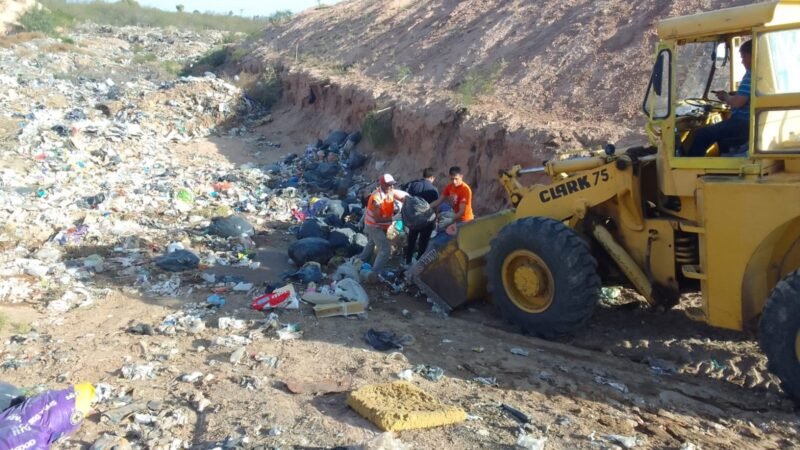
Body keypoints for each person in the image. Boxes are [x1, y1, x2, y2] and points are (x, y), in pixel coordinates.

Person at [688, 40, 752, 157]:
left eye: (743, 57)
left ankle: (688, 168)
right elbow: (745, 97)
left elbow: (738, 102)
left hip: (743, 123)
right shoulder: (760, 73)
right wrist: (734, 95)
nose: (742, 61)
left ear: (752, 56)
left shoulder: (751, 75)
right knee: (719, 137)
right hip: (749, 123)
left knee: (703, 134)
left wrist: (725, 96)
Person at [360, 173, 406, 274]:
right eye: (389, 184)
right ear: (383, 185)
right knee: (385, 250)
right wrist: (394, 218)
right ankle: (374, 273)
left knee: (372, 242)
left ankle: (361, 260)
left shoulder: (390, 191)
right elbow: (377, 219)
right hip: (374, 225)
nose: (392, 186)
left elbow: (402, 198)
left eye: (393, 184)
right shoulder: (376, 198)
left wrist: (410, 202)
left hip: (381, 225)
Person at [402, 168, 439, 265]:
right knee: (423, 242)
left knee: (411, 240)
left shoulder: (414, 185)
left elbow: (408, 200)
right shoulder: (433, 190)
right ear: (432, 177)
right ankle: (419, 262)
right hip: (427, 221)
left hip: (413, 219)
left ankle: (408, 261)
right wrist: (435, 220)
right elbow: (435, 206)